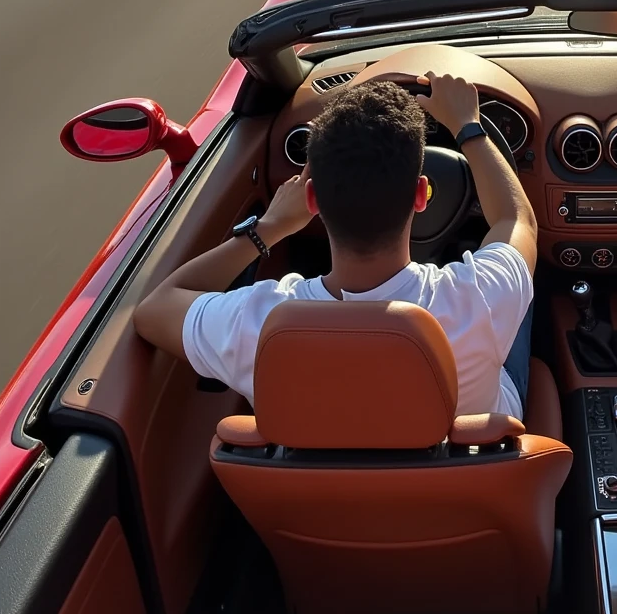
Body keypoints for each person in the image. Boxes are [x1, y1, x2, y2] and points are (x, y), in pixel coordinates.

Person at [133, 72, 538, 419]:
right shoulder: (478, 296)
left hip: (321, 509)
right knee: (524, 302)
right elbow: (516, 219)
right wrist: (469, 125)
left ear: (312, 202)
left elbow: (154, 309)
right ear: (421, 194)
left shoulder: (259, 324)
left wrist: (270, 227)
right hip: (465, 485)